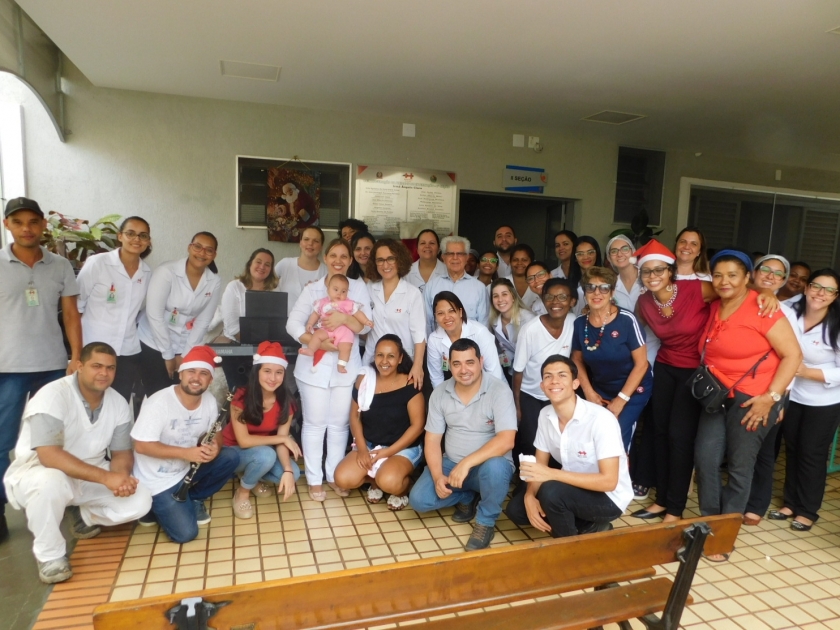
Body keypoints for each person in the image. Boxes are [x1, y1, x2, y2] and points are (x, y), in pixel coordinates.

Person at [3, 342, 152, 583]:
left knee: (141, 501)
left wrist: (121, 478)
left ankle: (83, 515)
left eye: (110, 368)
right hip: (40, 472)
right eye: (96, 366)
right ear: (79, 366)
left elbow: (122, 452)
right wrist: (106, 478)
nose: (104, 373)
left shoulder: (117, 403)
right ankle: (50, 556)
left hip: (90, 473)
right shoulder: (52, 395)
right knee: (50, 482)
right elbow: (48, 455)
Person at [693, 250, 801, 560]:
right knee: (706, 457)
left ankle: (723, 536)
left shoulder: (763, 309)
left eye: (732, 275)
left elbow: (793, 356)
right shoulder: (716, 306)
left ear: (746, 278)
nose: (724, 281)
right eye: (718, 275)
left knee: (740, 467)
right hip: (716, 396)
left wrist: (772, 398)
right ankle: (710, 523)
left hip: (754, 399)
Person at [0, 197, 82, 544]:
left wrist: (76, 356)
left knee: (63, 437)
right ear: (8, 225)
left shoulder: (60, 265)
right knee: (3, 440)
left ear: (43, 226)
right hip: (8, 367)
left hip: (52, 366)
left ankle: (72, 502)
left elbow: (70, 315)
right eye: (19, 222)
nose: (27, 229)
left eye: (33, 222)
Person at [505, 355, 632, 537]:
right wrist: (529, 496)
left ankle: (566, 547)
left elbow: (609, 482)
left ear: (575, 384)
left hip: (608, 498)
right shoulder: (545, 415)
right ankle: (589, 527)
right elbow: (539, 466)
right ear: (542, 386)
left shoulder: (601, 419)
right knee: (517, 510)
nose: (554, 380)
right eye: (548, 376)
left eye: (562, 375)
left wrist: (551, 474)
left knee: (551, 492)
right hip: (572, 488)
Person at [632, 240, 714, 521]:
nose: (653, 276)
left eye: (659, 270)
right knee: (660, 435)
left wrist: (765, 296)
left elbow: (734, 298)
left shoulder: (697, 289)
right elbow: (636, 335)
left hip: (694, 372)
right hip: (665, 368)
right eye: (646, 272)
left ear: (671, 272)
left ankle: (676, 508)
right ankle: (662, 500)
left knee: (680, 438)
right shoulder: (644, 302)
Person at [408, 339, 517, 551]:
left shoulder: (499, 391)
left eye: (470, 362)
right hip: (451, 464)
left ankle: (485, 522)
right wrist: (439, 475)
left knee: (496, 468)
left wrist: (466, 463)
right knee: (419, 500)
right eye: (457, 364)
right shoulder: (440, 392)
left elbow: (506, 440)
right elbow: (432, 439)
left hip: (486, 468)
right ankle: (466, 495)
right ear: (448, 364)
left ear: (481, 361)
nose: (463, 370)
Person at [287, 239, 372, 501]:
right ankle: (314, 480)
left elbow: (366, 327)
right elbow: (293, 324)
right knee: (314, 424)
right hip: (314, 367)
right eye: (333, 255)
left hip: (345, 367)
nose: (339, 260)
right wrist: (318, 342)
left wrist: (345, 319)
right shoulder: (313, 289)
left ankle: (334, 476)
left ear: (350, 260)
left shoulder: (358, 288)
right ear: (326, 258)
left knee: (338, 425)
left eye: (344, 256)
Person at [131, 346, 239, 543]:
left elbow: (216, 434)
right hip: (158, 479)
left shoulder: (209, 400)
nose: (196, 378)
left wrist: (214, 447)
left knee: (230, 457)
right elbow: (142, 446)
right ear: (181, 374)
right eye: (191, 371)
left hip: (186, 468)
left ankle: (193, 497)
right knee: (186, 534)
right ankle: (153, 505)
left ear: (210, 380)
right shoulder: (158, 403)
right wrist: (187, 453)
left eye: (204, 373)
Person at [772, 270, 840, 531]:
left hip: (825, 400)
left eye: (828, 290)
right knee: (793, 448)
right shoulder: (790, 308)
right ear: (807, 287)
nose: (820, 294)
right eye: (816, 286)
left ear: (835, 297)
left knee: (812, 452)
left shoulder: (836, 324)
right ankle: (790, 503)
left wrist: (806, 372)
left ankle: (808, 510)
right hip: (793, 394)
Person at [334, 335, 425, 510]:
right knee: (343, 479)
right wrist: (361, 449)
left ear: (400, 359)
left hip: (402, 447)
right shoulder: (365, 380)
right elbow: (354, 416)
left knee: (389, 481)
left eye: (391, 356)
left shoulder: (410, 383)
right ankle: (376, 480)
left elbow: (418, 426)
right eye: (380, 355)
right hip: (369, 444)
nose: (384, 361)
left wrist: (388, 452)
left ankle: (400, 489)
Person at [571, 267, 653, 451]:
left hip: (632, 391)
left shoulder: (626, 320)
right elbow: (577, 360)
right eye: (590, 288)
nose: (597, 293)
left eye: (604, 288)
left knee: (617, 436)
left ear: (612, 292)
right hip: (601, 390)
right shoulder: (579, 324)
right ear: (584, 292)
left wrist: (621, 400)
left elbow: (641, 364)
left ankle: (620, 479)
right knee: (595, 436)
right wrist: (590, 393)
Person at [76, 216, 152, 402]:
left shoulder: (147, 273)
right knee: (87, 403)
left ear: (148, 241)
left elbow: (139, 311)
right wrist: (77, 349)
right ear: (120, 236)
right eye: (130, 234)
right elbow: (76, 306)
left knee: (118, 403)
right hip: (93, 348)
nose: (137, 239)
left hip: (127, 351)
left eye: (143, 236)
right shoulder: (97, 263)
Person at [222, 342, 301, 519]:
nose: (273, 378)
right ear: (257, 371)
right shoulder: (241, 396)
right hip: (232, 452)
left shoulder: (286, 401)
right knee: (266, 455)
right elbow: (244, 441)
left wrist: (287, 469)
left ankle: (253, 476)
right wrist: (283, 439)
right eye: (267, 371)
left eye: (279, 372)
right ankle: (242, 492)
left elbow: (281, 441)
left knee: (293, 473)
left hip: (261, 450)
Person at [137, 231, 222, 396]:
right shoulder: (166, 271)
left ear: (214, 255)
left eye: (208, 250)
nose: (202, 253)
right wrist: (168, 354)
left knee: (180, 397)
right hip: (153, 342)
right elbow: (154, 315)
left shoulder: (214, 281)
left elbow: (203, 322)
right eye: (198, 247)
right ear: (190, 248)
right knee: (158, 397)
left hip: (184, 346)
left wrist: (184, 355)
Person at [742, 254, 792, 525]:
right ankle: (737, 499)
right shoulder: (736, 300)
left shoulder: (786, 312)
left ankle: (756, 504)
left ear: (783, 281)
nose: (771, 276)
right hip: (737, 389)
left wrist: (779, 399)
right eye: (766, 270)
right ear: (754, 272)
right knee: (738, 452)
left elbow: (794, 358)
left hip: (768, 393)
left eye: (778, 274)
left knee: (763, 451)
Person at [512, 279, 577, 463]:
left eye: (563, 297)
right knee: (531, 440)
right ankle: (527, 483)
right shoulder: (530, 330)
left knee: (559, 439)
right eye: (549, 297)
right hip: (531, 394)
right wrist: (517, 406)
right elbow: (518, 371)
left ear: (572, 301)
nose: (555, 302)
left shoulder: (574, 322)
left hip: (559, 393)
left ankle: (552, 482)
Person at [363, 239, 426, 389]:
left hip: (402, 362)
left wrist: (417, 366)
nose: (386, 265)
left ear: (400, 260)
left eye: (391, 258)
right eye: (380, 260)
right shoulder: (369, 289)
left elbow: (419, 334)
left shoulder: (412, 293)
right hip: (372, 360)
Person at [299, 274, 374, 373]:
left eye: (343, 291)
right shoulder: (322, 302)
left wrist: (366, 321)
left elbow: (358, 313)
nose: (339, 294)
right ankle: (311, 350)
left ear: (347, 292)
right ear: (328, 290)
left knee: (346, 348)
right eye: (336, 290)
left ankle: (341, 365)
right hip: (327, 329)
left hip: (344, 332)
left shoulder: (348, 303)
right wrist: (310, 323)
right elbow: (315, 314)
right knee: (317, 335)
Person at [427, 292, 503, 388]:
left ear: (460, 312)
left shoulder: (479, 332)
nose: (446, 317)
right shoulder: (434, 339)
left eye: (451, 311)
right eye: (440, 313)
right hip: (458, 386)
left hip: (487, 385)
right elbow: (436, 377)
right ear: (435, 316)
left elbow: (493, 372)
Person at [424, 236, 489, 332]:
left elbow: (484, 323)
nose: (455, 258)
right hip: (439, 344)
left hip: (470, 344)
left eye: (460, 254)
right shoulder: (431, 286)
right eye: (450, 253)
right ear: (443, 257)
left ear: (466, 257)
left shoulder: (479, 288)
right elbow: (427, 322)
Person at [218, 248, 279, 343]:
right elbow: (232, 326)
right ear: (250, 264)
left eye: (267, 265)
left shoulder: (275, 290)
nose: (262, 267)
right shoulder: (234, 287)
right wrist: (254, 344)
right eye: (258, 262)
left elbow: (277, 324)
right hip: (236, 343)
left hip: (268, 344)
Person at [489, 278, 536, 384]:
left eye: (504, 294)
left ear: (513, 297)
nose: (500, 299)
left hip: (533, 375)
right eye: (495, 296)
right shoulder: (495, 322)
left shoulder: (528, 319)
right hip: (513, 374)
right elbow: (508, 352)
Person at [274, 226, 327, 316]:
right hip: (283, 325)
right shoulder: (285, 264)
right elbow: (267, 287)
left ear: (321, 246)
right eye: (306, 239)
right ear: (300, 243)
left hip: (314, 327)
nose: (310, 243)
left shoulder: (326, 271)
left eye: (316, 241)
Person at [406, 228, 447, 295]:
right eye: (423, 243)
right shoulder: (407, 272)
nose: (427, 246)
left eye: (432, 243)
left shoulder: (447, 271)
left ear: (438, 248)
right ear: (417, 249)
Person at [605, 235, 640, 310]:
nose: (619, 254)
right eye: (614, 251)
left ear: (632, 252)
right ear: (609, 257)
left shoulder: (648, 277)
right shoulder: (611, 285)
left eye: (625, 249)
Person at [570, 236, 603, 315]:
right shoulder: (569, 284)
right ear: (575, 258)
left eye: (590, 252)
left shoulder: (606, 279)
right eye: (580, 254)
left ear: (597, 254)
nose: (586, 257)